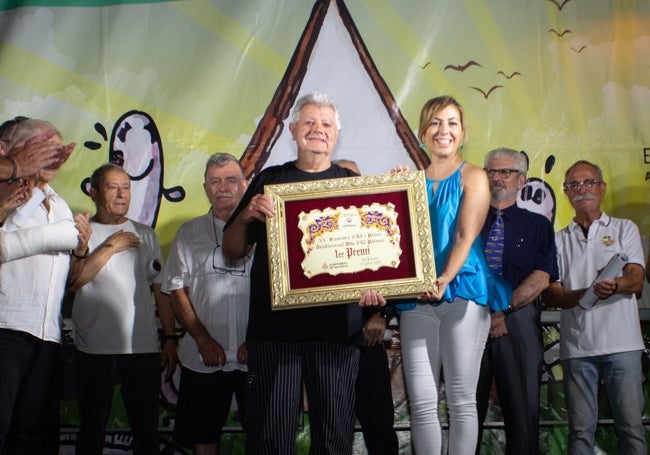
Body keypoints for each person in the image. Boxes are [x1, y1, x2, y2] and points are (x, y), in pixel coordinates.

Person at [360, 95, 511, 454]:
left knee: (461, 400)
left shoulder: (474, 175)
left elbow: (465, 235)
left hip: (463, 290)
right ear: (423, 132)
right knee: (423, 402)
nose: (444, 130)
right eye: (436, 122)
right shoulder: (409, 181)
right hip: (416, 299)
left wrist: (444, 278)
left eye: (452, 123)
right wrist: (393, 194)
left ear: (462, 133)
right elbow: (392, 241)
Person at [222, 92, 365, 454]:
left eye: (326, 124)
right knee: (271, 438)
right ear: (293, 130)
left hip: (336, 331)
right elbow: (232, 249)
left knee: (334, 438)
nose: (318, 130)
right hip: (276, 331)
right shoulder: (270, 180)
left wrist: (375, 292)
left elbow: (368, 258)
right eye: (309, 122)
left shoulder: (353, 185)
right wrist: (246, 214)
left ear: (336, 134)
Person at [67, 163, 178, 454]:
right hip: (93, 349)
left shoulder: (146, 234)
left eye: (126, 187)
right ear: (93, 192)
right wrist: (112, 246)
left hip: (141, 348)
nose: (121, 194)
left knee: (146, 430)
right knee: (92, 429)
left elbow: (161, 290)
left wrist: (169, 337)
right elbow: (74, 283)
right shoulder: (80, 233)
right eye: (112, 187)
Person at [543, 160, 646, 454]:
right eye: (574, 185)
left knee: (631, 428)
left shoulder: (625, 229)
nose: (581, 190)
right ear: (565, 193)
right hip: (578, 349)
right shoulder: (557, 239)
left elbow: (636, 280)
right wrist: (587, 293)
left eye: (588, 182)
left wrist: (613, 285)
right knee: (579, 432)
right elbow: (552, 294)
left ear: (601, 188)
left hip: (623, 345)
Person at [0, 119, 90, 454]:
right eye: (45, 146)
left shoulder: (63, 208)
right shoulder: (6, 191)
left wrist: (81, 251)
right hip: (7, 328)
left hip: (47, 337)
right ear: (18, 148)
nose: (54, 154)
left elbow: (70, 281)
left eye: (58, 148)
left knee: (33, 434)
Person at [163, 153, 252, 454]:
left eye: (230, 180)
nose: (222, 187)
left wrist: (256, 339)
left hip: (255, 356)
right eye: (215, 181)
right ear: (205, 189)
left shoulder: (266, 232)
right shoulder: (188, 232)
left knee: (267, 434)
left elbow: (277, 294)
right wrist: (201, 338)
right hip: (202, 358)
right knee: (203, 438)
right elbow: (175, 289)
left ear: (245, 185)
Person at [475, 148, 558, 454]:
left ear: (522, 180)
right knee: (466, 415)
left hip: (517, 320)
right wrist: (485, 314)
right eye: (490, 172)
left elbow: (542, 278)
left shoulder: (537, 225)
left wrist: (502, 311)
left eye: (504, 172)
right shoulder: (468, 221)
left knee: (523, 417)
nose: (496, 178)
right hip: (470, 321)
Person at [333, 158, 399, 455]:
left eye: (355, 177)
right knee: (332, 428)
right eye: (342, 177)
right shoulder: (315, 229)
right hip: (327, 346)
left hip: (368, 342)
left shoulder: (378, 227)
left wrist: (382, 314)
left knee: (380, 427)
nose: (349, 182)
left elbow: (398, 275)